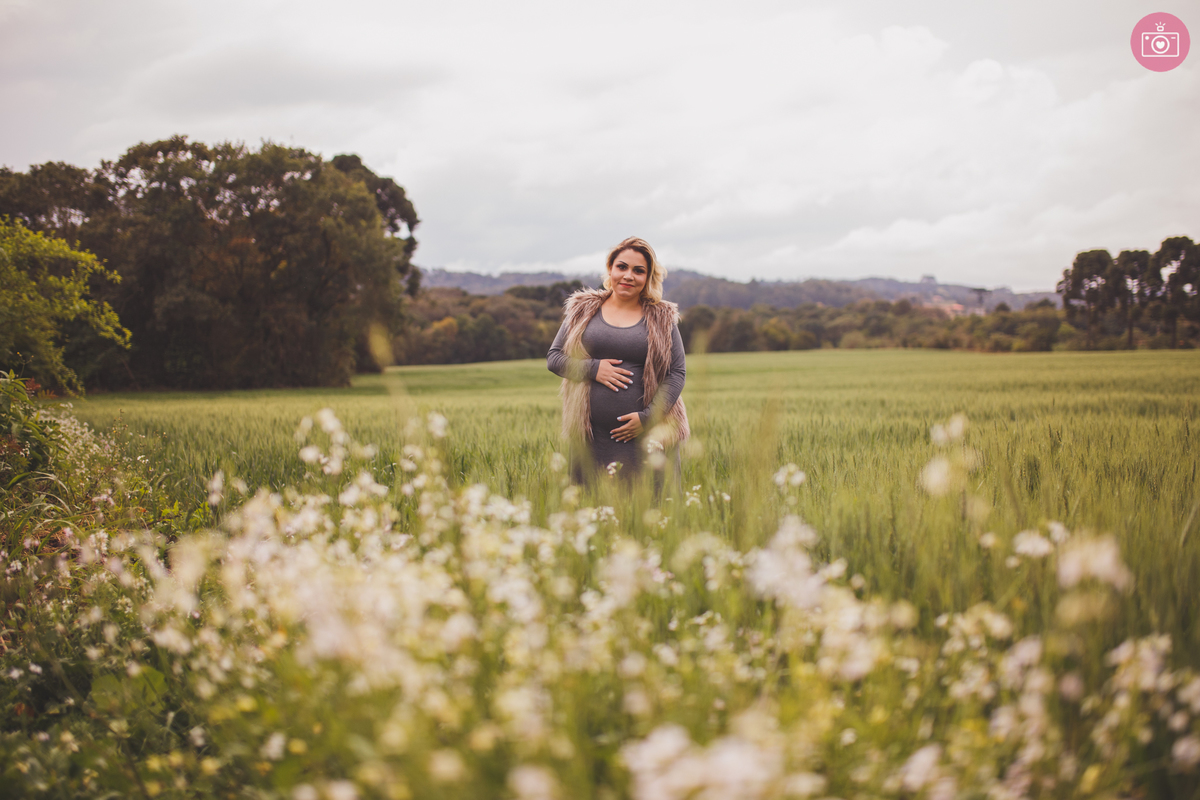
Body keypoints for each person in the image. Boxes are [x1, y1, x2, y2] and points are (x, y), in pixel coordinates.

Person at [547, 236, 688, 481]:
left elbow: (677, 373)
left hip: (649, 436)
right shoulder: (582, 309)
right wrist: (593, 369)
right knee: (591, 503)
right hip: (592, 439)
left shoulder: (663, 316)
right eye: (622, 267)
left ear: (648, 277)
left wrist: (648, 418)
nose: (628, 276)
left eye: (638, 271)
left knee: (651, 504)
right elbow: (554, 358)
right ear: (610, 269)